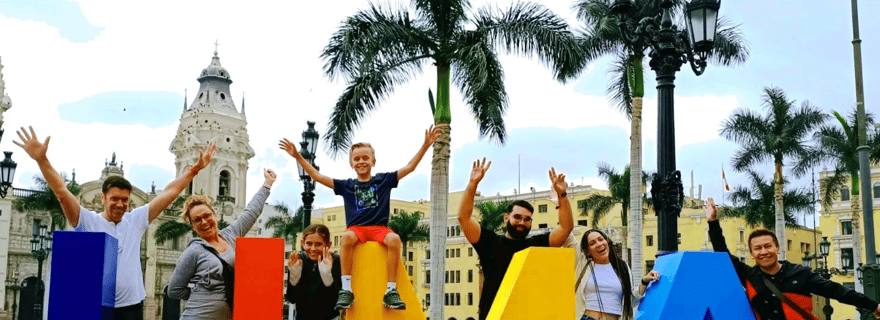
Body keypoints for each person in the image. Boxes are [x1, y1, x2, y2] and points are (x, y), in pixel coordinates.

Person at [13, 127, 215, 320]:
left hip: (132, 306)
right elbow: (62, 193)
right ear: (103, 198)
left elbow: (170, 192)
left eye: (125, 200)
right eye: (114, 199)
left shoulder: (136, 220)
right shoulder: (87, 220)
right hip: (96, 304)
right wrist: (42, 159)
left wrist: (195, 169)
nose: (120, 204)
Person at [279, 124, 441, 310]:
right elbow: (316, 175)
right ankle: (346, 289)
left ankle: (391, 290)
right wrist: (297, 156)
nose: (361, 161)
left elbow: (410, 167)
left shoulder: (384, 180)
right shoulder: (346, 185)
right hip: (356, 229)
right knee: (347, 237)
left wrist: (426, 144)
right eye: (356, 159)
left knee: (395, 239)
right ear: (351, 163)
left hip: (379, 229)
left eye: (365, 158)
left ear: (373, 161)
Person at [704, 197, 880, 319]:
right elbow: (722, 253)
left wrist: (873, 306)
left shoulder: (800, 273)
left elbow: (838, 291)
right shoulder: (749, 276)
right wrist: (712, 222)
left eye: (768, 246)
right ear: (751, 253)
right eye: (757, 248)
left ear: (777, 248)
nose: (764, 251)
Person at [457, 158, 575, 320]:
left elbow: (566, 228)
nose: (522, 222)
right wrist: (472, 184)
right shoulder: (490, 242)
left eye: (527, 219)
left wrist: (562, 194)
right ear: (506, 217)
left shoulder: (536, 245)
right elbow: (464, 218)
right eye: (517, 217)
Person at [167, 169, 277, 319]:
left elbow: (251, 212)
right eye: (197, 220)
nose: (204, 222)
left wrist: (267, 184)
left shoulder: (231, 235)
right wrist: (202, 294)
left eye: (207, 215)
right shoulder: (193, 251)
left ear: (215, 214)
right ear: (193, 226)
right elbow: (174, 290)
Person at [566, 228, 659, 320]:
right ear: (588, 251)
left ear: (607, 242)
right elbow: (567, 234)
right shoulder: (582, 263)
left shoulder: (622, 267)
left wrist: (644, 281)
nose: (599, 244)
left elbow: (630, 300)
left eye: (601, 239)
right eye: (592, 243)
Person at [285, 224, 342, 320]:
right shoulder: (298, 260)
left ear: (328, 245)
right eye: (309, 243)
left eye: (318, 244)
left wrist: (327, 277)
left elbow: (336, 301)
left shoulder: (335, 260)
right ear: (302, 243)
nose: (313, 249)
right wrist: (294, 279)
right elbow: (292, 298)